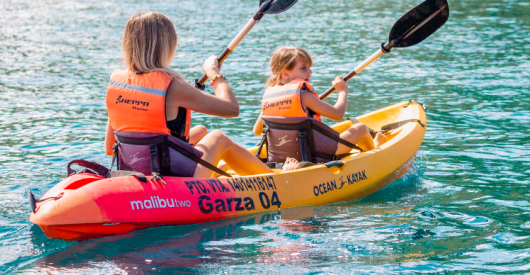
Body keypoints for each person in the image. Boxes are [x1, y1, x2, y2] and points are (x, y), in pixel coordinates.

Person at [104, 11, 295, 179]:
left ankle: (219, 167)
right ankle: (278, 180)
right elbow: (231, 108)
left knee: (201, 130)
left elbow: (109, 147)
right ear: (166, 46)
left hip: (135, 167)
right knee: (218, 138)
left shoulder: (117, 83)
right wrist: (215, 76)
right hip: (168, 172)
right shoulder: (174, 86)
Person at [252, 47, 386, 164]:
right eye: (303, 68)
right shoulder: (304, 96)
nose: (310, 72)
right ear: (285, 73)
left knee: (319, 122)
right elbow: (338, 114)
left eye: (309, 67)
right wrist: (343, 91)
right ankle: (376, 152)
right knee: (361, 128)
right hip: (315, 154)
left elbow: (257, 131)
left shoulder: (269, 96)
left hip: (284, 157)